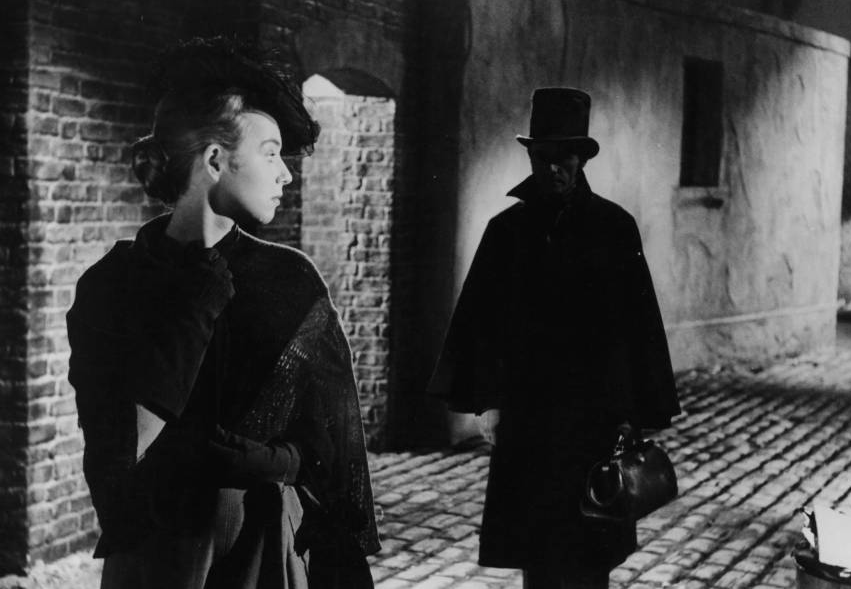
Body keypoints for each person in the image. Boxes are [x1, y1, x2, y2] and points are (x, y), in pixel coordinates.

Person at [66, 37, 379, 588]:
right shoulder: (112, 284)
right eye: (270, 152)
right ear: (215, 160)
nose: (285, 174)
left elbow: (334, 451)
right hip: (155, 549)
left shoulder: (290, 281)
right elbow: (116, 453)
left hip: (265, 543)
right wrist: (197, 301)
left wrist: (263, 462)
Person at [428, 87, 681, 588]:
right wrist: (488, 403)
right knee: (538, 547)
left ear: (581, 159)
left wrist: (633, 411)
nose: (553, 169)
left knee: (592, 540)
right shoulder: (508, 231)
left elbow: (638, 326)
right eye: (542, 157)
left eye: (563, 158)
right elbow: (482, 321)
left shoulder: (614, 228)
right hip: (530, 419)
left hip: (594, 418)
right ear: (531, 157)